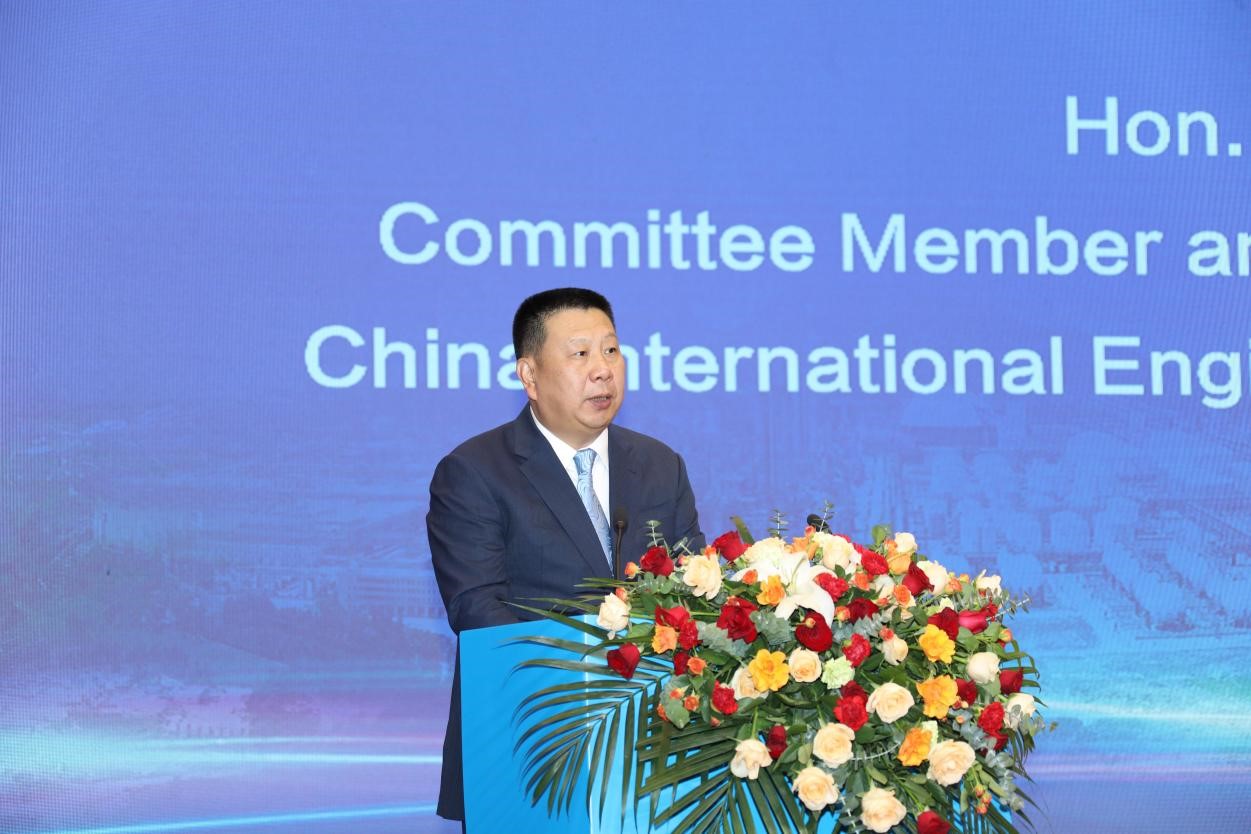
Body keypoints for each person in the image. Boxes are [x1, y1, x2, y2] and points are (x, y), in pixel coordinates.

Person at [427, 287, 705, 824]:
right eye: (580, 354)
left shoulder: (659, 465)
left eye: (611, 350)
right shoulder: (475, 471)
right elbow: (477, 609)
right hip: (529, 746)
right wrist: (589, 677)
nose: (602, 370)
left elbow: (693, 590)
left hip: (655, 747)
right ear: (529, 376)